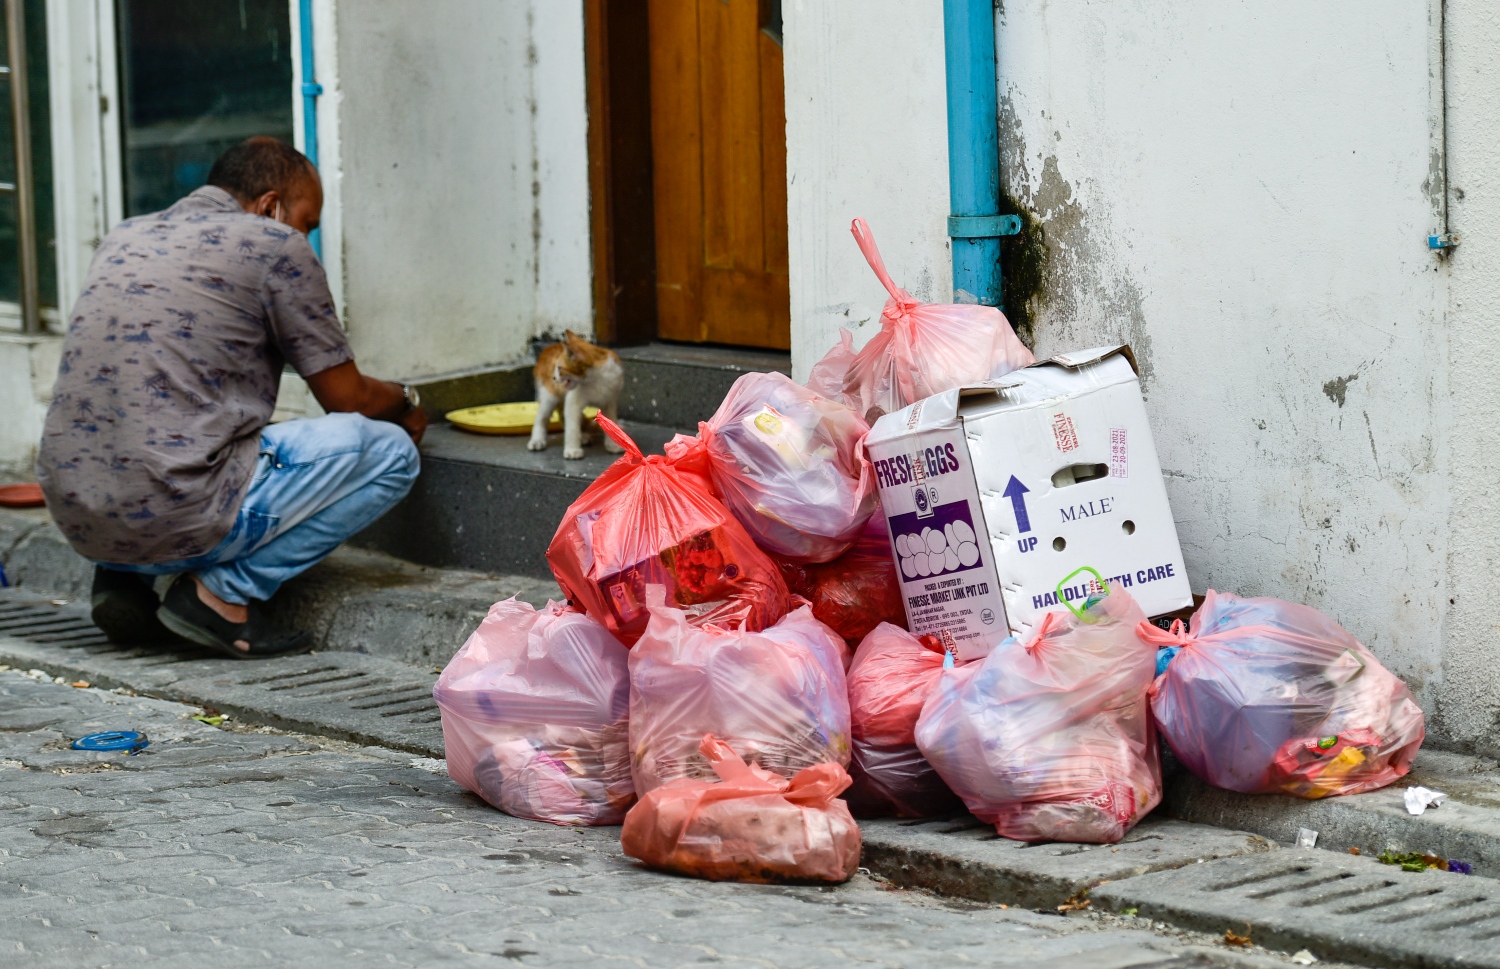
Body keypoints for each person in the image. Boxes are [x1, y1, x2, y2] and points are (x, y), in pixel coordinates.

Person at [36, 136, 428, 659]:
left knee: (170, 426)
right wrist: (407, 401)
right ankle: (221, 596)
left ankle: (123, 579)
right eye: (306, 223)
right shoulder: (273, 244)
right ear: (270, 206)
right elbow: (347, 398)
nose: (305, 237)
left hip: (78, 514)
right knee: (390, 453)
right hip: (178, 514)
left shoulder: (124, 235)